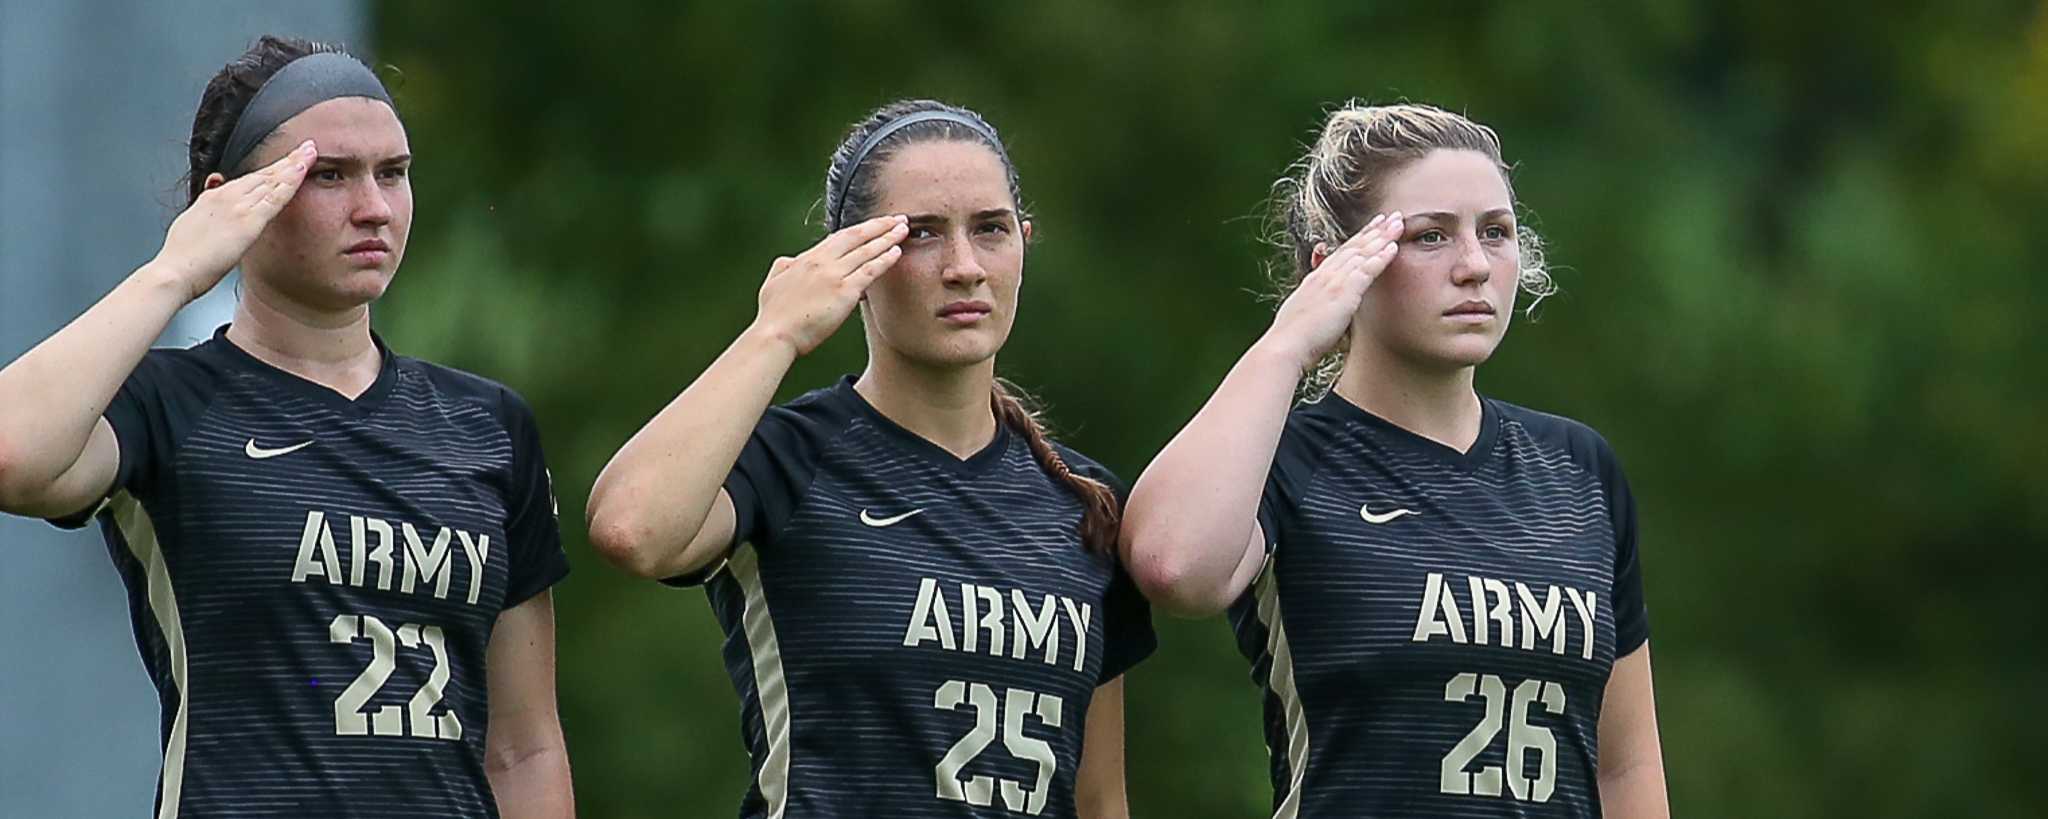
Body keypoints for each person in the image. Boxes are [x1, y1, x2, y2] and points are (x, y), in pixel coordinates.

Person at [0, 36, 574, 818]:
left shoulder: (489, 426)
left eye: (394, 173)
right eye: (328, 174)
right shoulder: (168, 404)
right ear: (232, 200)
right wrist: (175, 270)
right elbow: (13, 453)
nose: (373, 206)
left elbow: (525, 746)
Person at [587, 99, 1155, 819]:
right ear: (852, 260)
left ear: (1024, 243)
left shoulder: (1084, 499)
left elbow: (1100, 800)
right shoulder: (792, 458)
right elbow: (630, 528)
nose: (964, 267)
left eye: (991, 230)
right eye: (919, 235)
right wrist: (778, 330)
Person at [1120, 102, 1669, 817]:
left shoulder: (1577, 468)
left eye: (1496, 233)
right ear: (1340, 267)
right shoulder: (1286, 460)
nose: (1474, 265)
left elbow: (1625, 764)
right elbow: (1172, 564)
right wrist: (1290, 341)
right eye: (1430, 236)